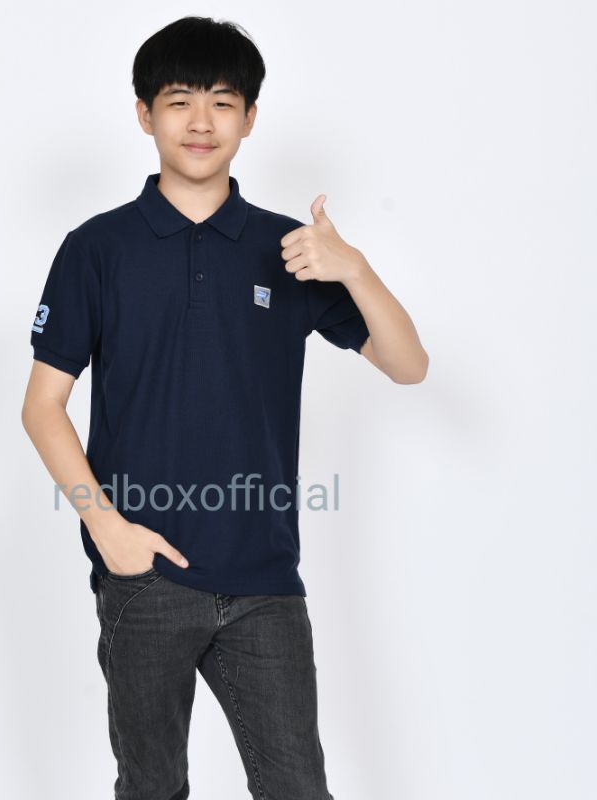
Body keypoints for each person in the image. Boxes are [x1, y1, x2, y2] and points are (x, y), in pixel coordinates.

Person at [21, 15, 428, 800]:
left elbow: (408, 366)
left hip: (265, 581)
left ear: (249, 117)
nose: (201, 121)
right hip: (145, 577)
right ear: (145, 114)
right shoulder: (96, 248)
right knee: (151, 787)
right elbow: (43, 407)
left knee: (297, 788)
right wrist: (108, 529)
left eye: (222, 102)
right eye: (179, 101)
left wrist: (355, 268)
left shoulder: (289, 249)